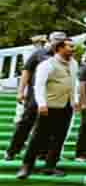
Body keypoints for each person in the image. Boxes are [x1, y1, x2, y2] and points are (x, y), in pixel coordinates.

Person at [16, 38, 79, 180]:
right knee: (38, 137)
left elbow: (73, 83)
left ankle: (50, 166)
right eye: (70, 46)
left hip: (66, 106)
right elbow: (39, 85)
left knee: (59, 138)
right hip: (49, 107)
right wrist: (42, 104)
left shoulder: (74, 63)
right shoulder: (47, 64)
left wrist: (75, 100)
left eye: (73, 46)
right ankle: (26, 166)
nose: (73, 49)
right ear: (59, 48)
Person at [5, 31, 66, 161]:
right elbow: (26, 72)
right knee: (25, 124)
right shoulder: (39, 54)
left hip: (54, 99)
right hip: (34, 97)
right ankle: (12, 151)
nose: (58, 42)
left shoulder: (65, 57)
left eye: (61, 40)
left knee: (47, 127)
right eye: (56, 39)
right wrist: (21, 91)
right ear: (50, 40)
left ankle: (42, 153)